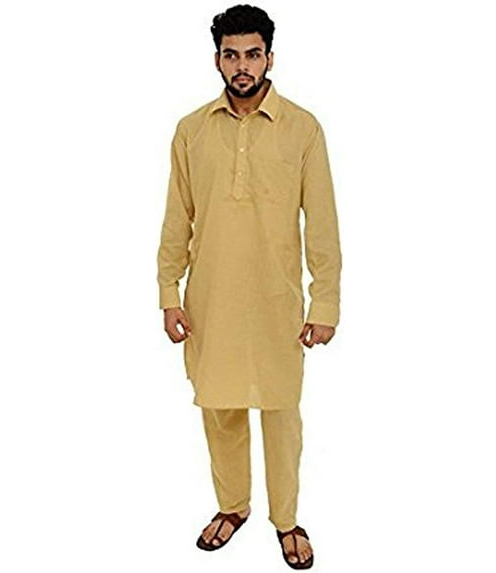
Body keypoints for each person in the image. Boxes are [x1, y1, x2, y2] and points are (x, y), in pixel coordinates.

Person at [156, 4, 341, 569]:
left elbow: (323, 222)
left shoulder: (303, 128)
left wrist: (325, 301)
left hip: (277, 300)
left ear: (270, 58)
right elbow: (177, 220)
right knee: (221, 409)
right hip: (210, 299)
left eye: (252, 54)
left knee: (281, 413)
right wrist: (169, 294)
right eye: (231, 55)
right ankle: (232, 506)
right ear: (217, 60)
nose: (242, 65)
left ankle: (286, 519)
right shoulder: (191, 130)